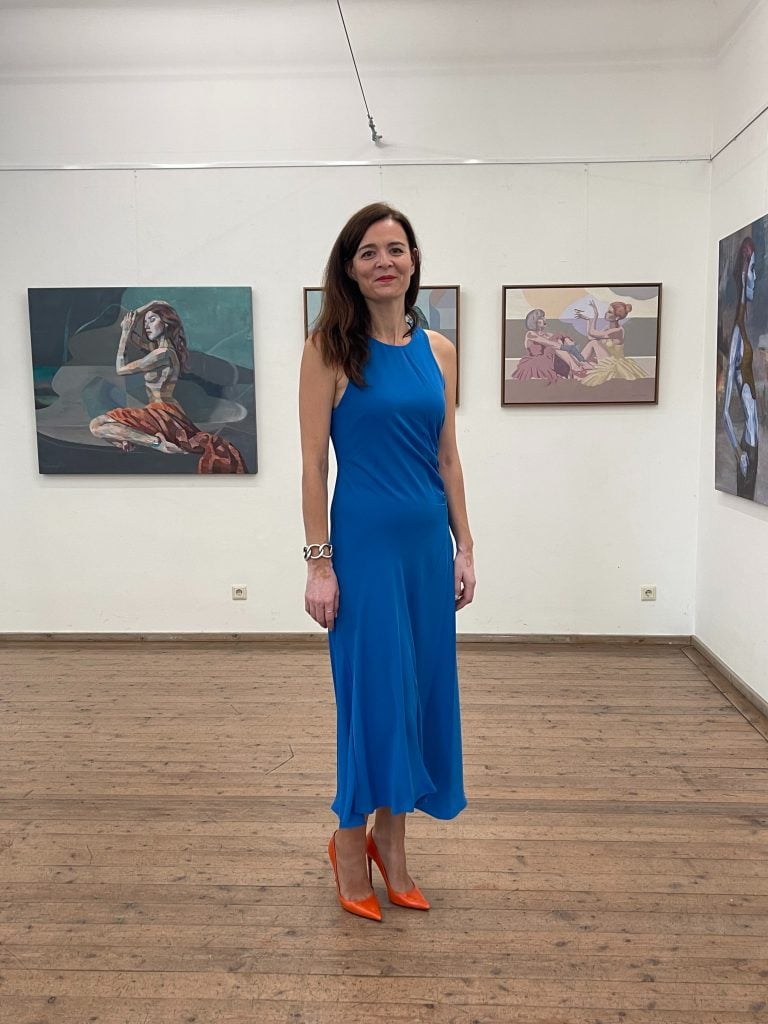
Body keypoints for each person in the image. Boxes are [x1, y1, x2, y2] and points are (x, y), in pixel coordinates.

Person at [299, 202, 475, 921]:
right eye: (368, 252)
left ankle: (394, 850)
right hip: (364, 553)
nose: (383, 262)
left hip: (425, 554)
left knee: (419, 695)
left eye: (395, 249)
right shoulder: (329, 350)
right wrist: (319, 563)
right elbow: (312, 464)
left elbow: (448, 456)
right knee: (372, 697)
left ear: (413, 261)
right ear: (349, 267)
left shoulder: (439, 352)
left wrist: (465, 544)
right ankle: (349, 843)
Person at [89, 300, 247, 473]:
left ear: (166, 324)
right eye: (146, 321)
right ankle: (138, 439)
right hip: (166, 410)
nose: (147, 325)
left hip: (161, 412)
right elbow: (130, 326)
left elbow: (121, 369)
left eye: (153, 320)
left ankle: (157, 444)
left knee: (96, 426)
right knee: (110, 430)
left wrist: (125, 333)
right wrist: (152, 305)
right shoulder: (162, 349)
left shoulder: (161, 354)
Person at [722, 237, 759, 499]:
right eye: (753, 270)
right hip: (747, 447)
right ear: (745, 273)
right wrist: (739, 454)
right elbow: (724, 411)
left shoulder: (744, 329)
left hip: (753, 445)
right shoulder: (737, 335)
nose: (755, 278)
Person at [574, 298, 646, 386]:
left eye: (609, 312)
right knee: (592, 348)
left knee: (594, 344)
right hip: (605, 359)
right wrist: (589, 321)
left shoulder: (618, 331)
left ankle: (577, 364)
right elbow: (591, 336)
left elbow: (592, 334)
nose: (606, 313)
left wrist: (595, 315)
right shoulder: (607, 328)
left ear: (617, 317)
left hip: (614, 361)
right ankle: (577, 363)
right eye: (607, 311)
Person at [511, 309, 587, 382]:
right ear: (534, 321)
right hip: (537, 362)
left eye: (544, 317)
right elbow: (549, 343)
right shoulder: (530, 333)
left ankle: (577, 366)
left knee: (559, 338)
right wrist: (568, 348)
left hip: (550, 359)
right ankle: (574, 367)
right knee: (555, 345)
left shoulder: (548, 334)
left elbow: (560, 342)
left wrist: (569, 344)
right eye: (541, 318)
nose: (544, 319)